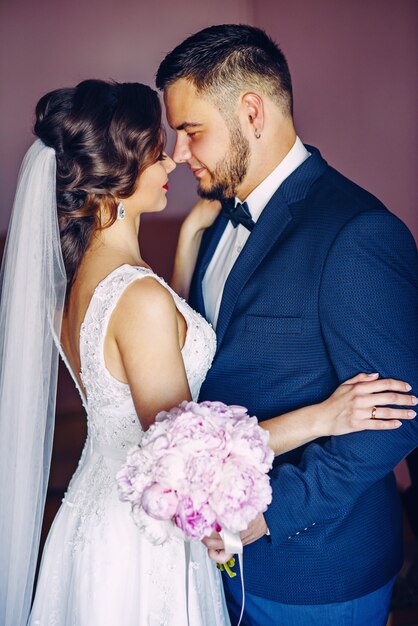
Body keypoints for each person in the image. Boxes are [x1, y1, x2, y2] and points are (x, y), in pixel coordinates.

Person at [0, 79, 413, 626]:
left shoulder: (78, 290)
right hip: (147, 537)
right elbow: (187, 449)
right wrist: (325, 416)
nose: (174, 161)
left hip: (103, 515)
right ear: (116, 173)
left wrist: (191, 240)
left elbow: (151, 345)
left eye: (188, 134)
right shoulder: (138, 298)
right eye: (157, 149)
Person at [156, 24, 418, 626]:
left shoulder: (356, 234)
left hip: (317, 569)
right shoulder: (215, 217)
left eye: (192, 130)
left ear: (251, 111)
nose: (177, 152)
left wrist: (264, 516)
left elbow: (395, 420)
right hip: (219, 564)